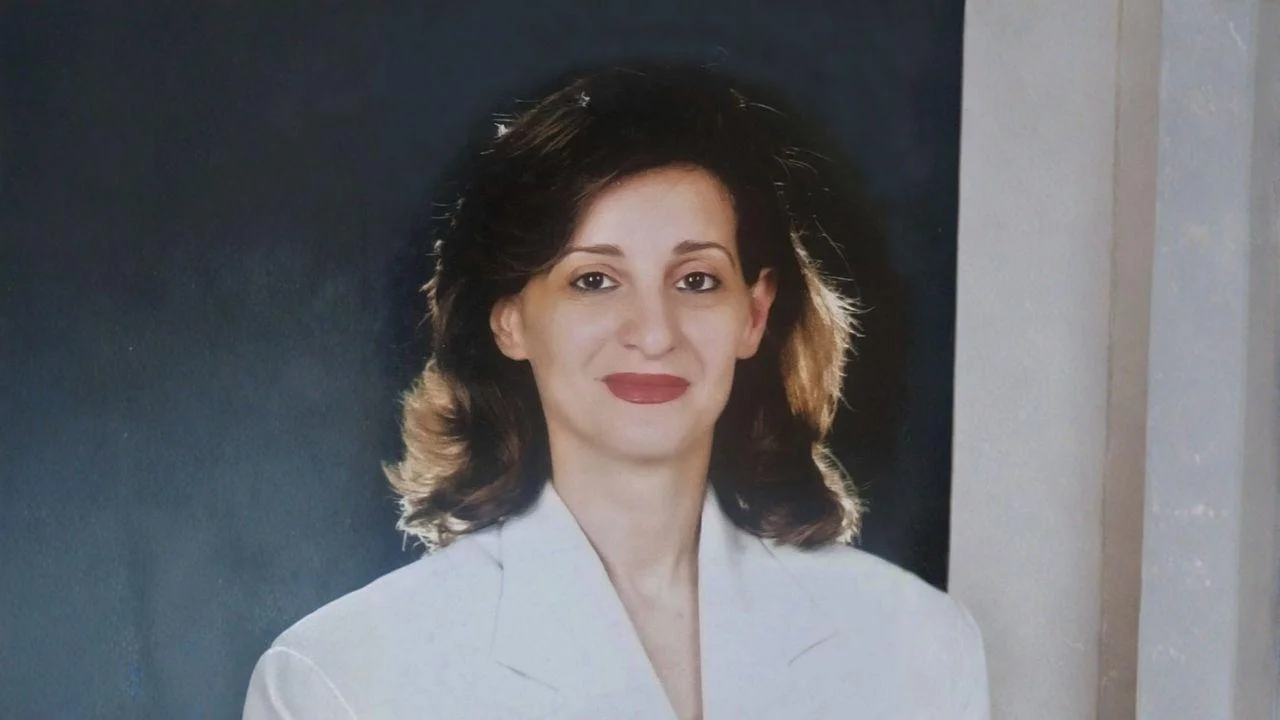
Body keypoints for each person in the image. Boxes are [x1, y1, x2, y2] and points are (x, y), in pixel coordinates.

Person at [243, 62, 989, 720]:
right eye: (594, 280)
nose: (654, 333)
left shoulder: (917, 643)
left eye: (697, 280)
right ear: (509, 319)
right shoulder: (340, 680)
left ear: (754, 315)